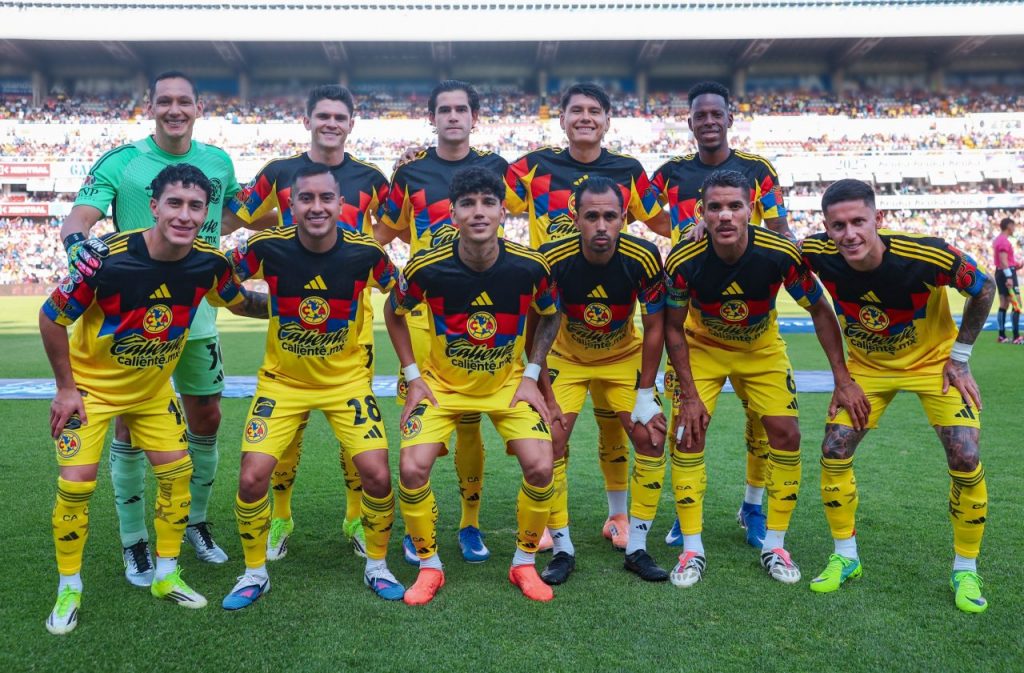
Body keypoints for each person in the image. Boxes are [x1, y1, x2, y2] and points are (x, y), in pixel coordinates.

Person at [40, 164, 265, 635]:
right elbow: (51, 316)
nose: (185, 215)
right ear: (155, 206)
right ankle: (69, 587)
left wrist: (296, 300)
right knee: (76, 485)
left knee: (177, 474)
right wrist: (65, 388)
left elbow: (241, 301)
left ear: (206, 214)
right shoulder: (106, 259)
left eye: (196, 206)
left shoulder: (210, 263)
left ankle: (166, 574)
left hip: (152, 392)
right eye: (175, 204)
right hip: (91, 391)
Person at [61, 71, 249, 581]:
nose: (174, 109)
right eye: (164, 101)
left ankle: (195, 522)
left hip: (197, 314)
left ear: (198, 108)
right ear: (151, 107)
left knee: (207, 417)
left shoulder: (219, 162)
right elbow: (79, 219)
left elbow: (233, 215)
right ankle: (134, 540)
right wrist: (79, 251)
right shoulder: (123, 162)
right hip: (134, 321)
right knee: (129, 424)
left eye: (184, 101)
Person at [663, 169, 865, 589]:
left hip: (760, 348)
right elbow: (672, 326)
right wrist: (689, 395)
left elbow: (820, 309)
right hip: (702, 348)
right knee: (687, 432)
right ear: (702, 212)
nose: (725, 215)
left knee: (786, 434)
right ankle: (692, 548)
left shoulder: (779, 253)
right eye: (715, 207)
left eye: (734, 206)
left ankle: (775, 544)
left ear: (750, 209)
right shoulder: (684, 258)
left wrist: (842, 377)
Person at [801, 179, 995, 614]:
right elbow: (767, 251)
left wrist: (960, 358)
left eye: (858, 221)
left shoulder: (926, 255)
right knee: (834, 450)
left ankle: (965, 569)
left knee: (966, 457)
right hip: (867, 370)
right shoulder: (814, 252)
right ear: (826, 227)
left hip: (935, 366)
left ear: (879, 219)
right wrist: (702, 228)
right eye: (838, 226)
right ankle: (845, 557)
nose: (849, 234)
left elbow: (983, 288)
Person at [221, 163, 405, 609]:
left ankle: (378, 565)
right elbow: (219, 278)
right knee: (251, 477)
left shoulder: (365, 252)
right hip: (282, 383)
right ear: (291, 204)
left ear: (341, 204)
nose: (316, 207)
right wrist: (258, 305)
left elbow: (403, 295)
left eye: (326, 198)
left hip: (346, 382)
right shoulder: (266, 246)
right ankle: (254, 573)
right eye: (306, 198)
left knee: (378, 474)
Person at [383, 166, 560, 605]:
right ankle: (429, 567)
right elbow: (393, 311)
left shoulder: (530, 266)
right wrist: (413, 376)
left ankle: (523, 564)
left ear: (502, 211)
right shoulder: (426, 267)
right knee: (411, 468)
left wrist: (532, 374)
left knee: (542, 465)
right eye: (467, 204)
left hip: (508, 386)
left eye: (488, 203)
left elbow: (552, 313)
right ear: (452, 214)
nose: (478, 212)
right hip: (442, 387)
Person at [229, 84, 391, 560]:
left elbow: (394, 226)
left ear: (351, 124)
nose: (331, 124)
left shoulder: (371, 178)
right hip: (296, 318)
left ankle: (355, 516)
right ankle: (280, 517)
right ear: (307, 121)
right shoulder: (278, 172)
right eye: (323, 115)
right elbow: (236, 218)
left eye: (340, 117)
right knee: (289, 428)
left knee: (354, 437)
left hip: (353, 324)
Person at [505, 82, 669, 551]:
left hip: (614, 328)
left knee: (621, 429)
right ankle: (549, 525)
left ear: (607, 120)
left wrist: (698, 222)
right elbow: (481, 192)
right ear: (561, 119)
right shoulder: (532, 166)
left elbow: (661, 221)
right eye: (575, 110)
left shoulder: (629, 171)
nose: (585, 117)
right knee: (551, 434)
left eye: (594, 110)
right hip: (557, 318)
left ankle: (620, 518)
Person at [651, 81, 794, 549]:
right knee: (687, 424)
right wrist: (685, 234)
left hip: (753, 322)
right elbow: (640, 215)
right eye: (701, 115)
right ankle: (685, 512)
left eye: (717, 114)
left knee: (764, 423)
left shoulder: (758, 170)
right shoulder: (669, 174)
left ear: (730, 118)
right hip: (695, 322)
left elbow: (780, 230)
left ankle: (752, 505)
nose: (709, 121)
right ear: (690, 123)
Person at [378, 80, 513, 565]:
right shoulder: (410, 173)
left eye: (461, 109)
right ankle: (420, 526)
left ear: (474, 117)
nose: (453, 116)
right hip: (423, 318)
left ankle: (469, 525)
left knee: (470, 425)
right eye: (444, 110)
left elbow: (535, 214)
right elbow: (386, 230)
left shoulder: (499, 169)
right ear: (431, 118)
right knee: (420, 425)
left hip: (479, 316)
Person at [537, 176, 669, 585]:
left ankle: (637, 547)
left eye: (610, 216)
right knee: (550, 441)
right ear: (575, 218)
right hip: (567, 358)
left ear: (623, 218)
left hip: (622, 357)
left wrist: (645, 393)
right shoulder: (552, 257)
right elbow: (536, 325)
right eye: (591, 216)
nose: (601, 225)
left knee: (651, 437)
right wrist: (540, 387)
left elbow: (655, 326)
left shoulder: (643, 256)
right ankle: (562, 549)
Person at [992, 217, 1022, 343]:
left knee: (1004, 303)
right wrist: (1009, 276)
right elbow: (1004, 261)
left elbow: (1004, 262)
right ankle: (1016, 337)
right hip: (1006, 274)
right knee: (1017, 304)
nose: (1014, 228)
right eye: (1013, 226)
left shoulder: (998, 240)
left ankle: (1002, 336)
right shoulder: (1004, 241)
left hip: (1001, 273)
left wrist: (1016, 265)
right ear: (1009, 226)